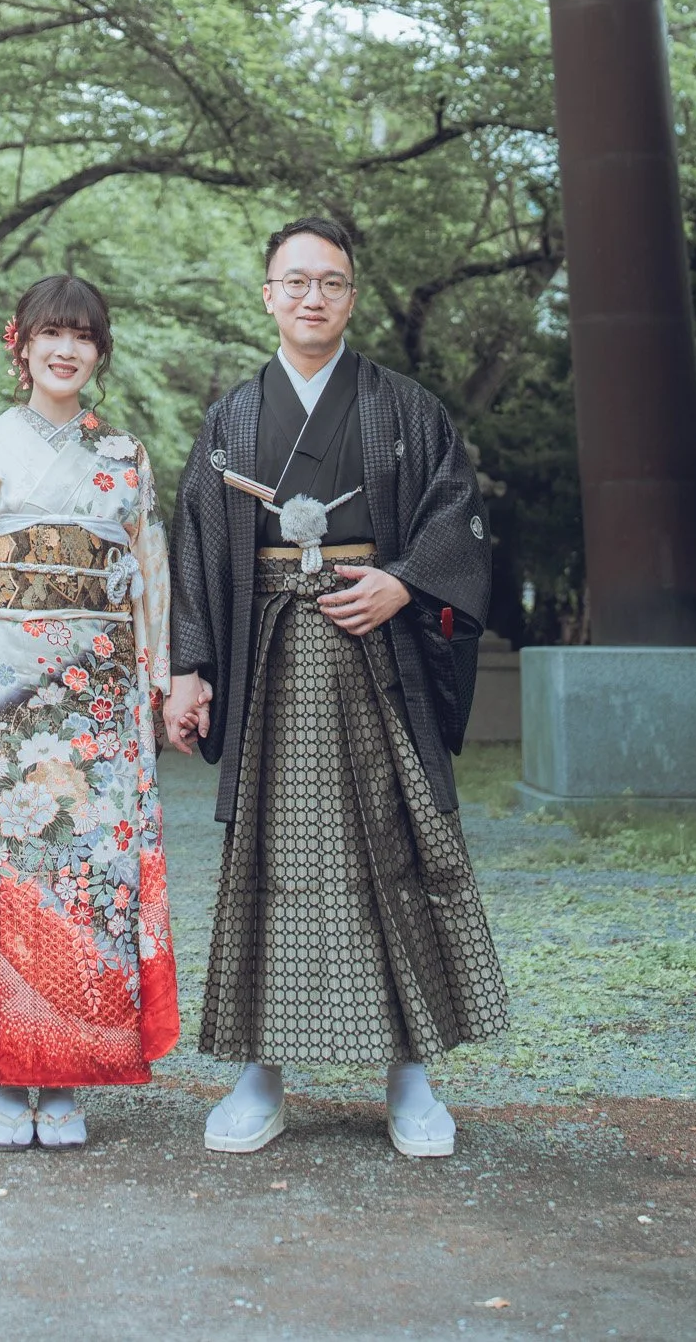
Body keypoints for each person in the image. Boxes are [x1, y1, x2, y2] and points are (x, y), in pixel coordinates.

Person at [165, 216, 508, 1157]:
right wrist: (189, 669)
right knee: (266, 862)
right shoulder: (232, 418)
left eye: (332, 282)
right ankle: (257, 1075)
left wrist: (403, 581)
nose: (312, 296)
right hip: (270, 659)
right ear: (268, 295)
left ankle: (410, 1080)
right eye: (295, 281)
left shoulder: (406, 410)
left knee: (395, 849)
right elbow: (195, 550)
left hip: (376, 654)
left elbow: (457, 519)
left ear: (352, 297)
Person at [0, 274, 179, 1149]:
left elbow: (152, 580)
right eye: (51, 334)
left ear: (99, 352)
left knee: (91, 887)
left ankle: (68, 1077)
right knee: (2, 875)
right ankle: (6, 1078)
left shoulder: (124, 457)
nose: (66, 351)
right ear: (18, 345)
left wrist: (162, 684)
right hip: (2, 700)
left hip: (96, 710)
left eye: (83, 337)